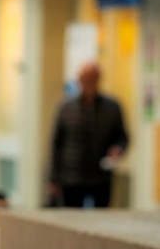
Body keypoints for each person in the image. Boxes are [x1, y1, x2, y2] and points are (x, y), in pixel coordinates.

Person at [48, 62, 128, 208]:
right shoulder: (66, 107)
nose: (88, 84)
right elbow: (56, 144)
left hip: (101, 177)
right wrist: (53, 179)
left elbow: (122, 138)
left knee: (100, 215)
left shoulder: (112, 107)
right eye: (85, 79)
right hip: (72, 178)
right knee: (72, 216)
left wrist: (118, 149)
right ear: (79, 81)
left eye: (92, 80)